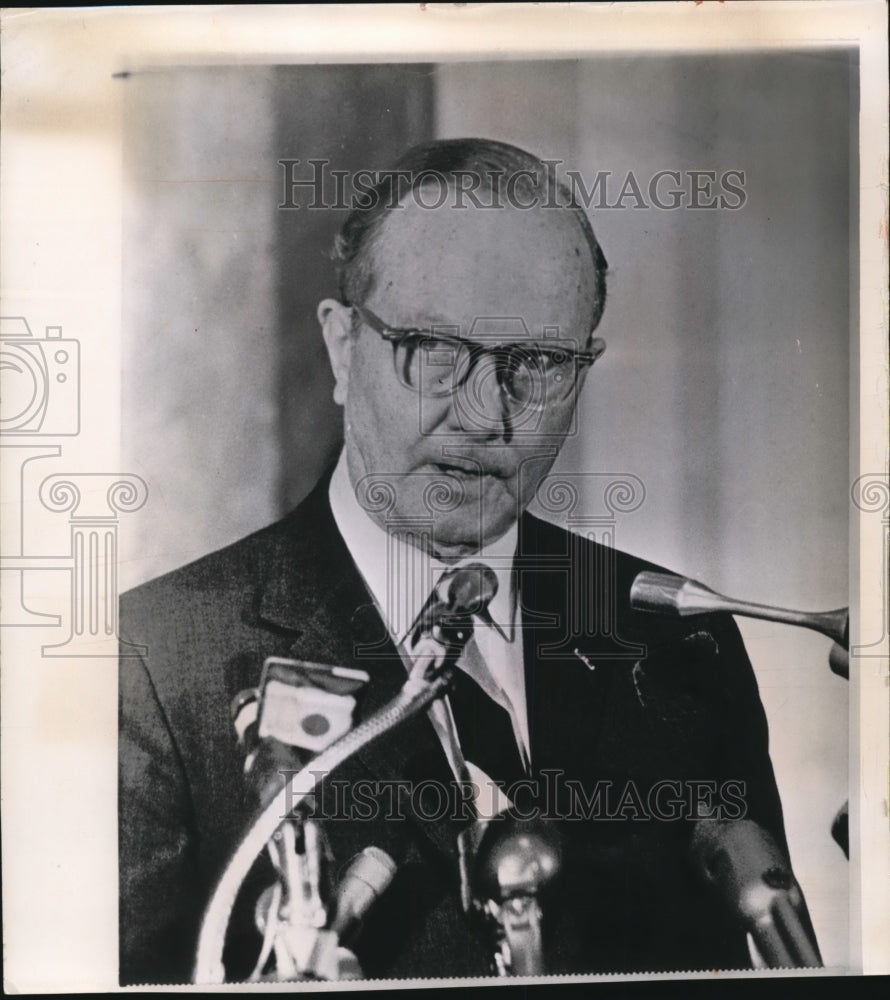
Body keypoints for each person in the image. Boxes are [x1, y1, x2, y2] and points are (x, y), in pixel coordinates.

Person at [119, 138, 789, 985]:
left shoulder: (680, 643)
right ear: (341, 347)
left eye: (536, 364)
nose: (483, 415)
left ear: (584, 369)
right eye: (434, 350)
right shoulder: (153, 663)